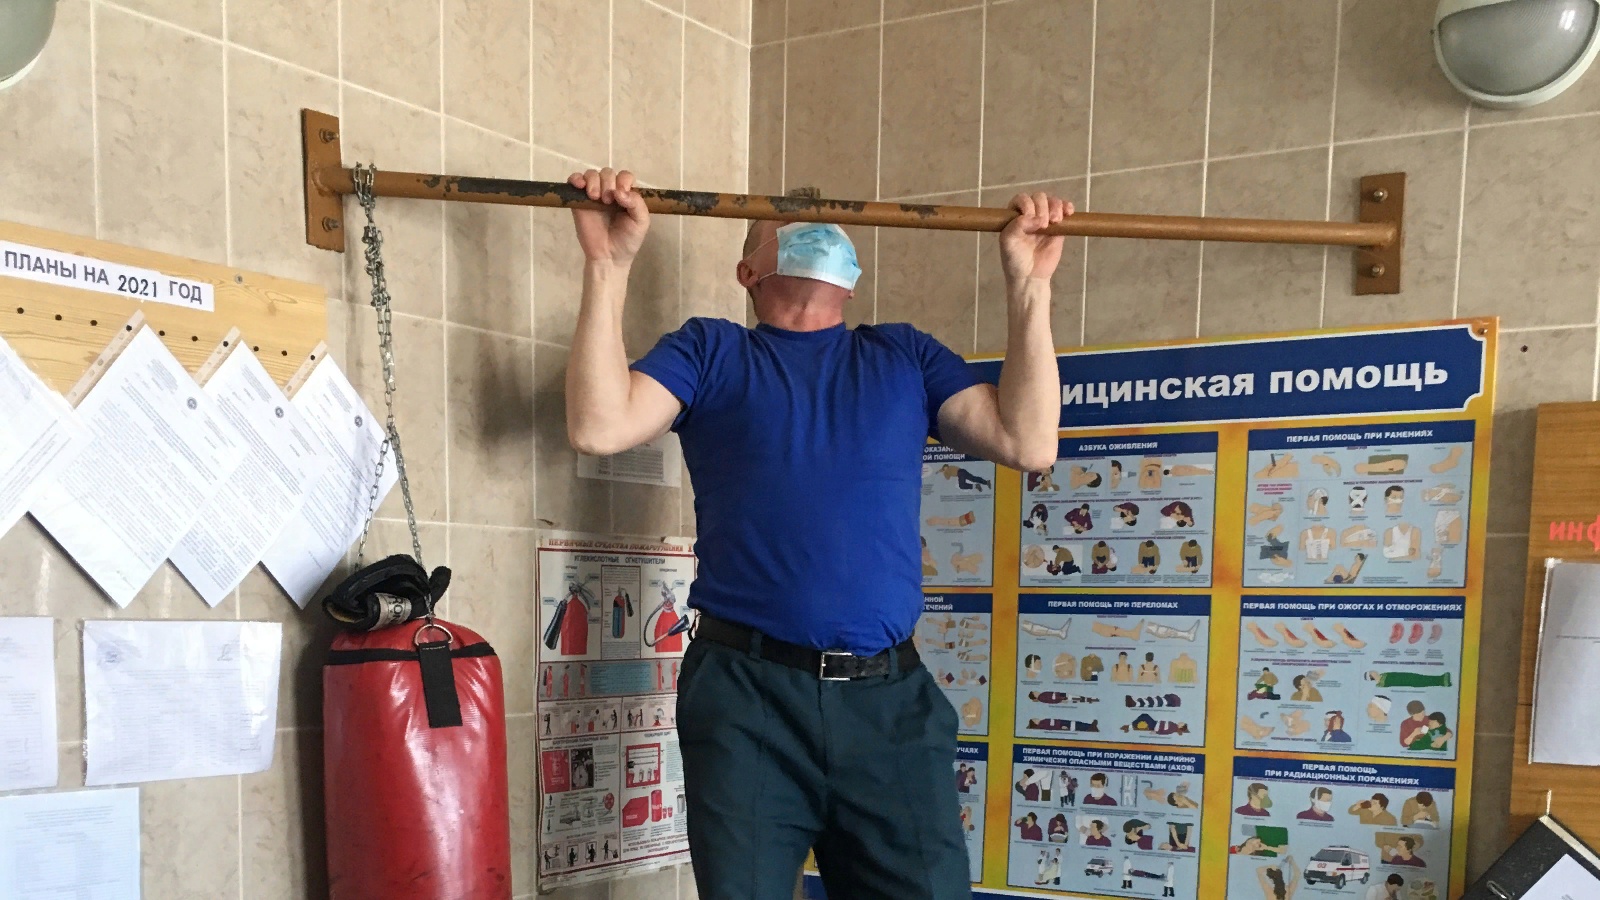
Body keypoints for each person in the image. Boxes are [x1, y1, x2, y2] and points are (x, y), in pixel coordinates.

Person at [563, 167, 1073, 899]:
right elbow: (598, 425)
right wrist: (608, 266)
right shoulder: (712, 351)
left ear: (853, 277)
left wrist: (1029, 285)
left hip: (889, 701)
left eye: (828, 222)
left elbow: (1029, 442)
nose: (815, 226)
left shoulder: (904, 355)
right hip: (746, 700)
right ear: (748, 271)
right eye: (788, 221)